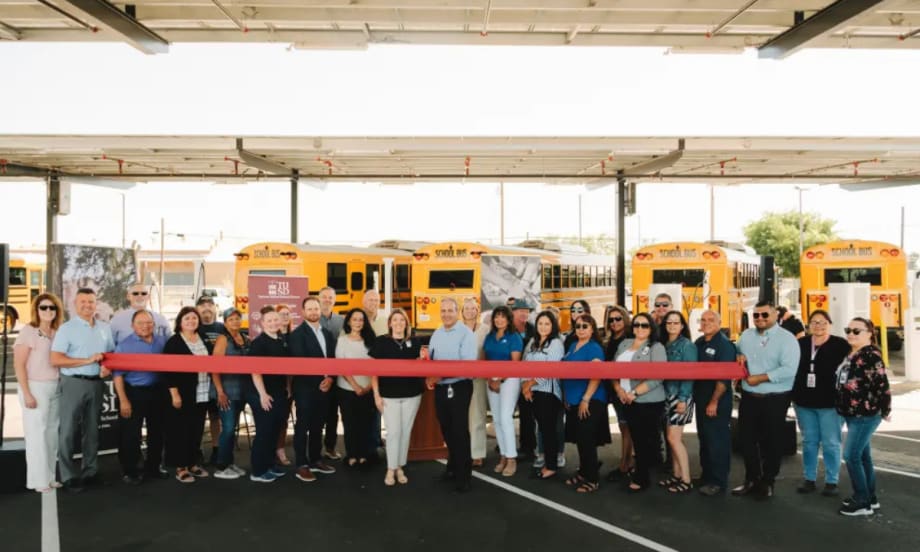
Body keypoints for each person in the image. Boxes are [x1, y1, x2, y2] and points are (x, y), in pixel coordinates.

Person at [50, 287, 115, 494]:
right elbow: (56, 359)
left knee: (92, 430)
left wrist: (107, 367)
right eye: (83, 302)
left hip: (96, 384)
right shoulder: (66, 329)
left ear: (96, 304)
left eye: (91, 302)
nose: (87, 305)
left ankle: (90, 472)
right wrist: (87, 360)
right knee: (68, 431)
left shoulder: (105, 328)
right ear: (75, 305)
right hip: (73, 384)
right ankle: (68, 476)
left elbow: (110, 356)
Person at [733, 301, 800, 499]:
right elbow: (737, 353)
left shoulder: (787, 339)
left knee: (772, 441)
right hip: (749, 397)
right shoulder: (745, 336)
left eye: (764, 315)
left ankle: (768, 481)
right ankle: (751, 478)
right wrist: (738, 357)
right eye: (756, 315)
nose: (760, 319)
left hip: (775, 398)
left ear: (776, 315)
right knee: (746, 440)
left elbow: (789, 369)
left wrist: (761, 378)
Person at [836, 317, 892, 516]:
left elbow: (882, 386)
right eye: (848, 329)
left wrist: (885, 410)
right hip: (853, 413)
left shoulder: (871, 356)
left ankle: (862, 501)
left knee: (851, 455)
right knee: (863, 456)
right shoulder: (853, 354)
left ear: (869, 333)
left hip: (865, 414)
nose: (850, 333)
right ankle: (870, 497)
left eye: (856, 331)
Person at [792, 310, 849, 496]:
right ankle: (809, 478)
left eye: (823, 322)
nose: (819, 326)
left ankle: (832, 481)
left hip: (830, 404)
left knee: (831, 443)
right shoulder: (800, 344)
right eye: (815, 322)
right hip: (804, 403)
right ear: (808, 325)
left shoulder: (840, 344)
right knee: (809, 442)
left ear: (830, 324)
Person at [426, 297, 478, 493]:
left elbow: (466, 365)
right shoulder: (437, 333)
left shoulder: (466, 334)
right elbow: (430, 359)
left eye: (450, 310)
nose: (446, 314)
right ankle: (452, 467)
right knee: (446, 429)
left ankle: (464, 475)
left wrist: (438, 376)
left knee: (459, 431)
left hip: (459, 386)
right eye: (443, 310)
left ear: (457, 312)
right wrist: (428, 376)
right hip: (440, 387)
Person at [14, 293, 64, 492]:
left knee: (51, 435)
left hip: (55, 386)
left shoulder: (57, 332)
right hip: (35, 387)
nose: (48, 311)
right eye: (44, 307)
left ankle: (50, 477)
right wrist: (27, 393)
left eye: (52, 308)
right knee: (36, 435)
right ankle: (37, 481)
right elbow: (19, 364)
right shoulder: (28, 331)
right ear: (36, 310)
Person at [613, 312, 667, 493]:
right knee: (636, 438)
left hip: (647, 401)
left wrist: (634, 392)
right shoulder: (624, 344)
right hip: (626, 399)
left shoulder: (656, 347)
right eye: (637, 325)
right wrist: (620, 390)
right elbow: (613, 370)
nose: (640, 328)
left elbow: (658, 376)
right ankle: (639, 470)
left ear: (651, 328)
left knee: (644, 441)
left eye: (644, 325)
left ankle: (642, 477)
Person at [113, 310, 168, 485]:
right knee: (131, 434)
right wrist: (123, 400)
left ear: (154, 324)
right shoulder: (124, 345)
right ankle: (130, 471)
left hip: (158, 392)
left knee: (157, 432)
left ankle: (153, 467)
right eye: (140, 323)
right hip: (133, 392)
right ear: (132, 326)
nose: (145, 326)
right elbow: (118, 375)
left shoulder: (162, 341)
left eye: (149, 323)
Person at [370, 308, 424, 486]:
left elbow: (423, 365)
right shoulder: (381, 342)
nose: (399, 323)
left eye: (402, 320)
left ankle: (400, 466)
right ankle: (390, 469)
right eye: (395, 320)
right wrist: (376, 395)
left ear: (406, 323)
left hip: (412, 395)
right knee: (393, 433)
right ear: (390, 323)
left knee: (405, 432)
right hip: (388, 395)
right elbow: (373, 372)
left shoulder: (415, 343)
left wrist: (424, 359)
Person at [288, 296, 338, 483]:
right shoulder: (297, 335)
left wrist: (330, 378)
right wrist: (321, 380)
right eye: (309, 309)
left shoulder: (327, 333)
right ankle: (301, 464)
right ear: (303, 312)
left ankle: (316, 460)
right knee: (303, 426)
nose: (313, 312)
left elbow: (333, 359)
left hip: (326, 388)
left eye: (316, 308)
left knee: (318, 425)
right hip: (306, 389)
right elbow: (302, 363)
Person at [162, 307, 211, 484]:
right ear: (180, 322)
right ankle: (180, 467)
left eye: (194, 318)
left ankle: (192, 463)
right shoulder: (174, 342)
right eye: (187, 318)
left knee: (196, 430)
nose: (191, 321)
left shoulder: (203, 338)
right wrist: (174, 394)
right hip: (182, 394)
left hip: (202, 393)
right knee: (180, 431)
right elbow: (168, 371)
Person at [561, 314, 608, 494]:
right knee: (580, 439)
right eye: (578, 326)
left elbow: (596, 375)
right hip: (572, 399)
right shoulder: (572, 346)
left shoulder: (594, 348)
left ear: (592, 329)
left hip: (590, 400)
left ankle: (592, 479)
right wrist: (566, 396)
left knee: (587, 439)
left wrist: (586, 399)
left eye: (585, 326)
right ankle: (583, 471)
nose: (581, 329)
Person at [693, 310, 735, 497]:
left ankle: (718, 481)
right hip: (701, 400)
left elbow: (723, 380)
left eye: (711, 320)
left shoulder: (724, 346)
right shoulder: (700, 343)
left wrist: (714, 402)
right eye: (703, 320)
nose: (706, 323)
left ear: (719, 323)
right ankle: (706, 476)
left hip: (716, 402)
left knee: (717, 441)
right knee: (705, 440)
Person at [246, 307, 290, 483]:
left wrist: (288, 387)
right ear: (262, 323)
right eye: (269, 321)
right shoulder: (259, 343)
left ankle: (270, 465)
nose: (273, 323)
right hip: (263, 394)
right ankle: (258, 470)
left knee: (274, 431)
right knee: (264, 431)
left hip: (279, 392)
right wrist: (262, 395)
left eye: (275, 319)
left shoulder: (280, 340)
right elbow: (255, 371)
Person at [521, 310, 565, 480]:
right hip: (533, 392)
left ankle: (552, 466)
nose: (543, 327)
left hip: (548, 393)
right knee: (542, 428)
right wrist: (525, 386)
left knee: (548, 430)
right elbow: (525, 364)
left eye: (547, 324)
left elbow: (551, 368)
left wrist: (530, 383)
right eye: (540, 323)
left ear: (553, 325)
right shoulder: (533, 342)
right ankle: (546, 461)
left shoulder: (556, 343)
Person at [483, 306, 524, 477]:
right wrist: (491, 380)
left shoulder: (514, 337)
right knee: (497, 419)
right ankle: (503, 456)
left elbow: (515, 363)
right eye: (496, 317)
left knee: (506, 418)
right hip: (491, 380)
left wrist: (499, 380)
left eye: (502, 317)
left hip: (509, 380)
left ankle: (512, 458)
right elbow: (486, 359)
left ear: (508, 319)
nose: (499, 320)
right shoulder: (490, 337)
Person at [659, 310, 697, 494]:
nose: (672, 326)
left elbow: (690, 375)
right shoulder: (664, 344)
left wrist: (683, 399)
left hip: (680, 397)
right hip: (666, 396)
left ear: (682, 326)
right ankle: (676, 475)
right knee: (671, 438)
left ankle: (687, 479)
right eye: (669, 323)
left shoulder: (687, 346)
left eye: (676, 323)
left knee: (674, 439)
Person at [211, 308, 251, 480]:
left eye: (237, 319)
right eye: (231, 319)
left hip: (241, 391)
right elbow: (215, 367)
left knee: (233, 428)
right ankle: (221, 465)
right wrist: (220, 391)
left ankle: (230, 462)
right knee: (227, 428)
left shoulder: (244, 338)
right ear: (225, 322)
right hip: (226, 391)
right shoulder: (222, 339)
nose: (235, 322)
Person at [336, 308, 377, 467]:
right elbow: (341, 365)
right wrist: (355, 386)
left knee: (366, 423)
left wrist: (367, 387)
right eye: (355, 319)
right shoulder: (342, 340)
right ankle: (352, 455)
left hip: (368, 388)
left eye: (361, 320)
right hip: (346, 389)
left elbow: (376, 365)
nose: (358, 322)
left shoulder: (372, 340)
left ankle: (364, 455)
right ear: (348, 322)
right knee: (350, 423)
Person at [604, 305, 634, 482]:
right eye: (611, 320)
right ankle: (626, 461)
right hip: (613, 390)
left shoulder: (629, 339)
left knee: (626, 427)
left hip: (625, 389)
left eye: (618, 319)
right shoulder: (609, 340)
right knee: (623, 427)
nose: (614, 322)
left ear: (624, 319)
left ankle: (626, 464)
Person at [461, 297, 490, 468]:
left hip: (478, 379)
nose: (470, 311)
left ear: (478, 311)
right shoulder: (457, 329)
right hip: (460, 379)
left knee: (478, 416)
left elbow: (487, 352)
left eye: (473, 308)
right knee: (461, 417)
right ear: (462, 311)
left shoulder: (485, 329)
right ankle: (463, 451)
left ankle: (477, 453)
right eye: (467, 308)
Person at [196, 295, 224, 466]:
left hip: (218, 382)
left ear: (215, 308)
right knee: (198, 418)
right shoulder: (192, 326)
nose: (206, 307)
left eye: (210, 304)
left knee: (215, 417)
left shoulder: (222, 328)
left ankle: (216, 449)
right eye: (202, 305)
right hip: (198, 381)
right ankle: (196, 450)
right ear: (197, 309)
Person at [318, 286, 344, 460]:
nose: (327, 300)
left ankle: (330, 447)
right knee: (317, 414)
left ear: (334, 300)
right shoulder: (312, 319)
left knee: (333, 414)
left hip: (336, 375)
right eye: (324, 297)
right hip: (316, 375)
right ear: (319, 299)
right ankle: (313, 450)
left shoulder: (341, 321)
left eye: (330, 298)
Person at [510, 298, 537, 463]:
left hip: (527, 378)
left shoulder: (533, 330)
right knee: (506, 413)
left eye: (527, 311)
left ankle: (528, 447)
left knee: (527, 414)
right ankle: (505, 445)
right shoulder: (507, 329)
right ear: (513, 312)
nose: (524, 313)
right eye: (521, 310)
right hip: (510, 376)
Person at [273, 304, 294, 467]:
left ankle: (280, 450)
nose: (285, 317)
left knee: (284, 419)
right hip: (275, 386)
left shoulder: (295, 336)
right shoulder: (273, 336)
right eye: (281, 314)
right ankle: (270, 449)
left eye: (287, 314)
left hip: (292, 386)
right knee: (274, 420)